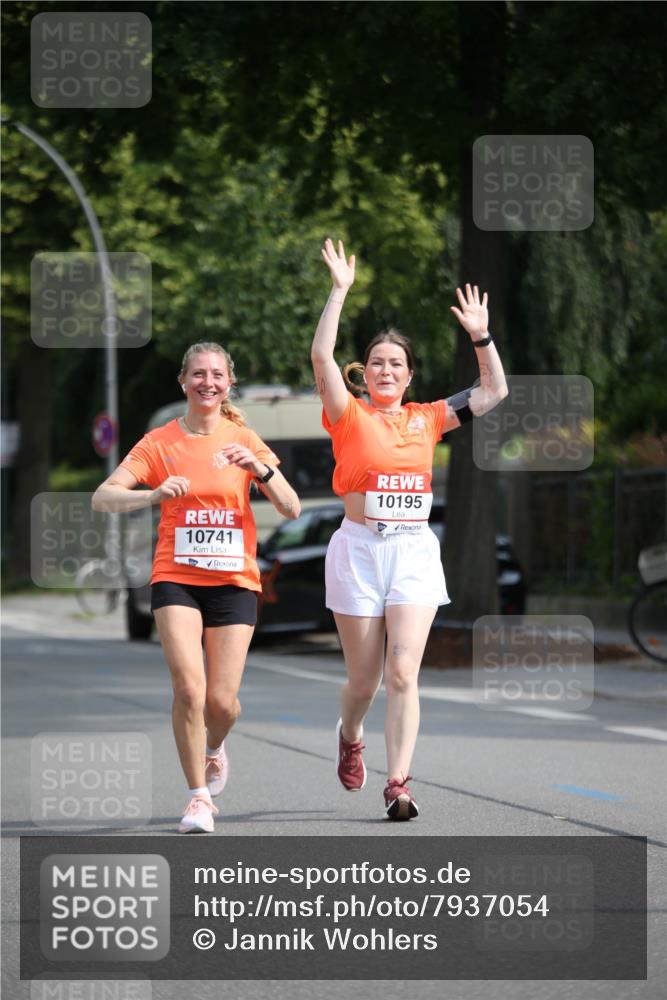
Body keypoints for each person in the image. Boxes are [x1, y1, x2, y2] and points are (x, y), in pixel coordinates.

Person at [311, 238, 508, 821]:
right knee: (364, 682)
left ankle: (398, 783)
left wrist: (481, 337)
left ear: (410, 375)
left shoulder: (429, 418)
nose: (386, 370)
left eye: (396, 363)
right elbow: (321, 356)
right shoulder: (347, 413)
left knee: (402, 672)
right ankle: (350, 734)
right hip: (357, 551)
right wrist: (339, 291)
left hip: (413, 552)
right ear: (365, 373)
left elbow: (494, 392)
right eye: (376, 362)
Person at [92, 342, 300, 833]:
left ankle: (215, 746)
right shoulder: (159, 442)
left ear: (229, 384)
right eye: (199, 374)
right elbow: (103, 497)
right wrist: (153, 495)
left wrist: (259, 468)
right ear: (183, 381)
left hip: (233, 581)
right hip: (176, 577)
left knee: (221, 704)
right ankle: (198, 799)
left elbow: (291, 507)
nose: (208, 382)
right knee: (189, 688)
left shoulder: (243, 438)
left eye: (217, 375)